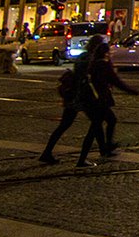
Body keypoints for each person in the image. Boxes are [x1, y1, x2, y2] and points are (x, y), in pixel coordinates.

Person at [39, 35, 102, 164]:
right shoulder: (91, 59)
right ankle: (83, 159)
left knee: (64, 125)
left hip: (73, 95)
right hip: (82, 97)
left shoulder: (82, 56)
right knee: (96, 123)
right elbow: (89, 78)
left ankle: (47, 152)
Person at [75, 40, 139, 167]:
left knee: (108, 121)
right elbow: (115, 81)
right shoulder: (103, 65)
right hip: (100, 101)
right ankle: (85, 158)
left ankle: (105, 148)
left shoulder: (93, 64)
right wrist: (131, 91)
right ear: (105, 53)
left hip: (93, 100)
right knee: (96, 128)